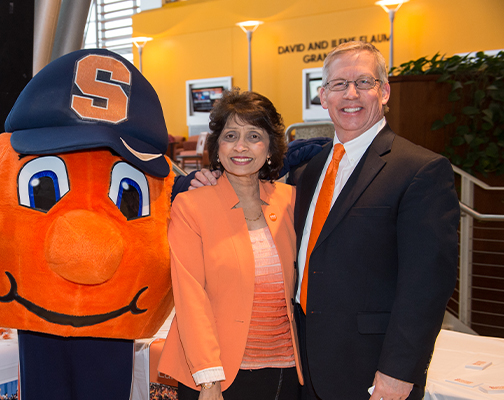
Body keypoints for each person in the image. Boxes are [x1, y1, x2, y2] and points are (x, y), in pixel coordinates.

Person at [188, 41, 460, 400]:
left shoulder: (419, 170)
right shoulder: (310, 172)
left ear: (384, 91)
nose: (351, 94)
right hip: (302, 366)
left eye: (364, 82)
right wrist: (212, 180)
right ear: (323, 96)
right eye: (338, 85)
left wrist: (398, 373)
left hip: (371, 371)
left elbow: (426, 286)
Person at [158, 89, 302, 400]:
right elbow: (190, 297)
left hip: (288, 373)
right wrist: (209, 381)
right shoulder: (191, 206)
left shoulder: (290, 201)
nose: (241, 146)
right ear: (217, 145)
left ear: (270, 147)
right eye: (231, 135)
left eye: (254, 136)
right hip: (218, 375)